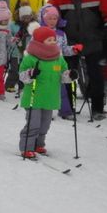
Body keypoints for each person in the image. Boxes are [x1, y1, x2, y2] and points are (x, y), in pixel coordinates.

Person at [48, 0, 107, 120]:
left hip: (94, 42)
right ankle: (67, 108)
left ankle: (98, 109)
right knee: (68, 75)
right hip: (70, 44)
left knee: (96, 75)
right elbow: (47, 13)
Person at [17, 26, 78, 158]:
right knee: (33, 123)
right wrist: (31, 73)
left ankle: (39, 144)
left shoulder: (58, 58)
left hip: (50, 97)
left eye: (54, 40)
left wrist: (70, 75)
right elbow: (22, 76)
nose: (52, 42)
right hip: (34, 98)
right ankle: (26, 146)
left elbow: (63, 76)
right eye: (49, 40)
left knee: (45, 125)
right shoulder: (31, 58)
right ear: (39, 42)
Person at [38, 4, 81, 117]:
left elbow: (65, 49)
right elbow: (33, 47)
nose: (52, 21)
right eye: (49, 19)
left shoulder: (61, 34)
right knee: (46, 87)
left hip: (58, 64)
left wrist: (73, 49)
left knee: (61, 88)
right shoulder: (39, 32)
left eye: (55, 18)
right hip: (44, 64)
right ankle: (46, 110)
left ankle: (65, 111)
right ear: (43, 19)